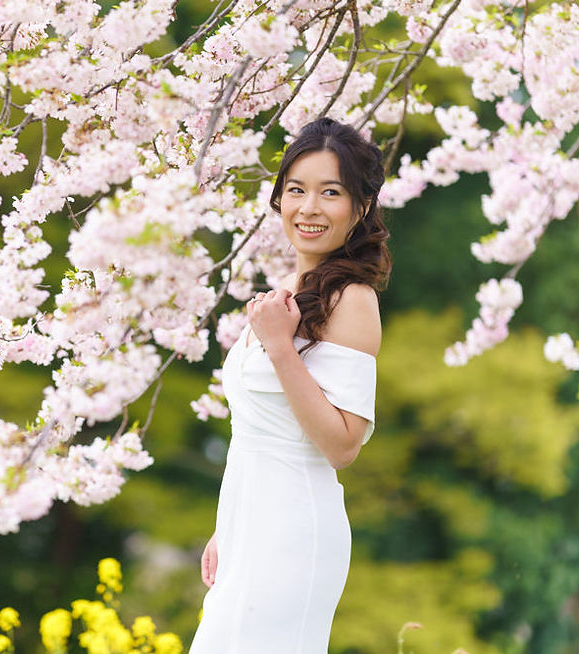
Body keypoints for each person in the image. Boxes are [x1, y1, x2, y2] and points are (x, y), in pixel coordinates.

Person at [188, 117, 392, 653]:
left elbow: (343, 444)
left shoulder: (352, 300)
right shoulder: (288, 290)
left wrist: (280, 349)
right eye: (296, 190)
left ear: (361, 207)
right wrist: (226, 524)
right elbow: (258, 430)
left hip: (293, 530)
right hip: (249, 524)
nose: (308, 208)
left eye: (331, 192)